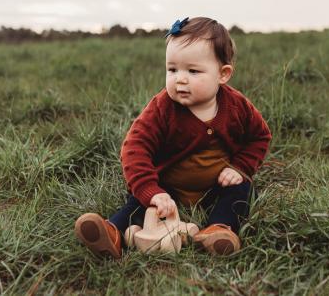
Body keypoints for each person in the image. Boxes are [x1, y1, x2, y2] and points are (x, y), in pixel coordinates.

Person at [74, 17, 272, 258]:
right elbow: (135, 147)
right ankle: (112, 232)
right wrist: (151, 190)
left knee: (242, 191)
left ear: (223, 74)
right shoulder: (162, 108)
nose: (180, 78)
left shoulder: (237, 106)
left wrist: (240, 168)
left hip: (216, 186)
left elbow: (260, 136)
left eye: (193, 70)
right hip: (167, 189)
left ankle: (219, 229)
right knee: (138, 203)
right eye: (172, 69)